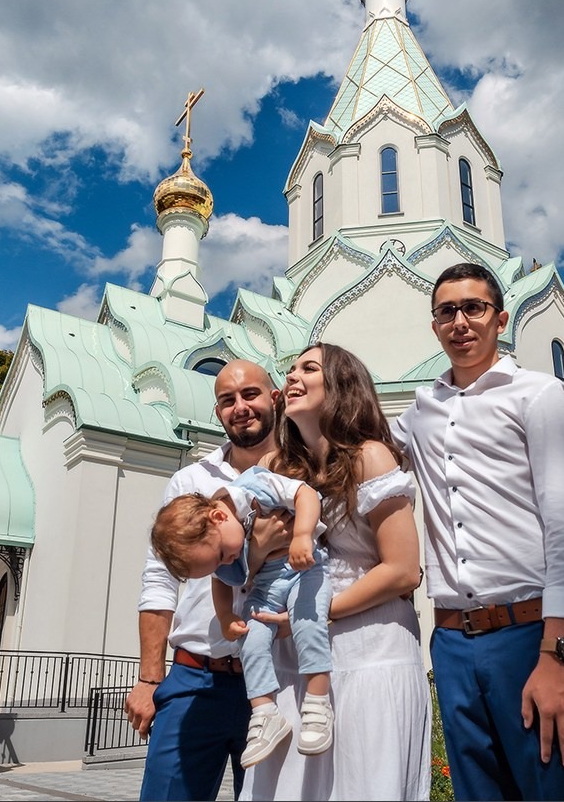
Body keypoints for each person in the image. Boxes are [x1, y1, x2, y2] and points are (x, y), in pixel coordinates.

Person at [392, 262, 564, 801]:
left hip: (530, 631)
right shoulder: (421, 412)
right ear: (435, 324)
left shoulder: (538, 394)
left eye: (474, 308)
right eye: (447, 311)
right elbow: (356, 450)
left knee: (559, 784)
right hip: (452, 642)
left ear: (501, 317)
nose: (460, 321)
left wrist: (558, 654)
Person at [241, 342, 432, 802]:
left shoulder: (371, 457)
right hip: (298, 654)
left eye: (308, 368)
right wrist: (259, 548)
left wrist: (316, 613)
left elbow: (404, 569)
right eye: (289, 370)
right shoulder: (276, 467)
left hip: (371, 645)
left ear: (342, 385)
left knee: (363, 780)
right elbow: (246, 565)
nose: (291, 378)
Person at [124, 360, 291, 801]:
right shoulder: (190, 479)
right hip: (197, 677)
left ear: (274, 397)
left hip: (278, 682)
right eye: (227, 400)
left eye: (250, 394)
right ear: (217, 412)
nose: (241, 406)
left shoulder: (303, 476)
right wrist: (148, 677)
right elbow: (159, 579)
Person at [149, 465, 334, 768]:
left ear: (219, 517)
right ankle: (265, 712)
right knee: (252, 636)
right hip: (266, 588)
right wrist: (224, 617)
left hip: (305, 570)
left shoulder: (256, 484)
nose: (227, 562)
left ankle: (317, 702)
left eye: (222, 554)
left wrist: (301, 535)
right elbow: (220, 580)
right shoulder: (221, 543)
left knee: (307, 620)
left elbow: (305, 494)